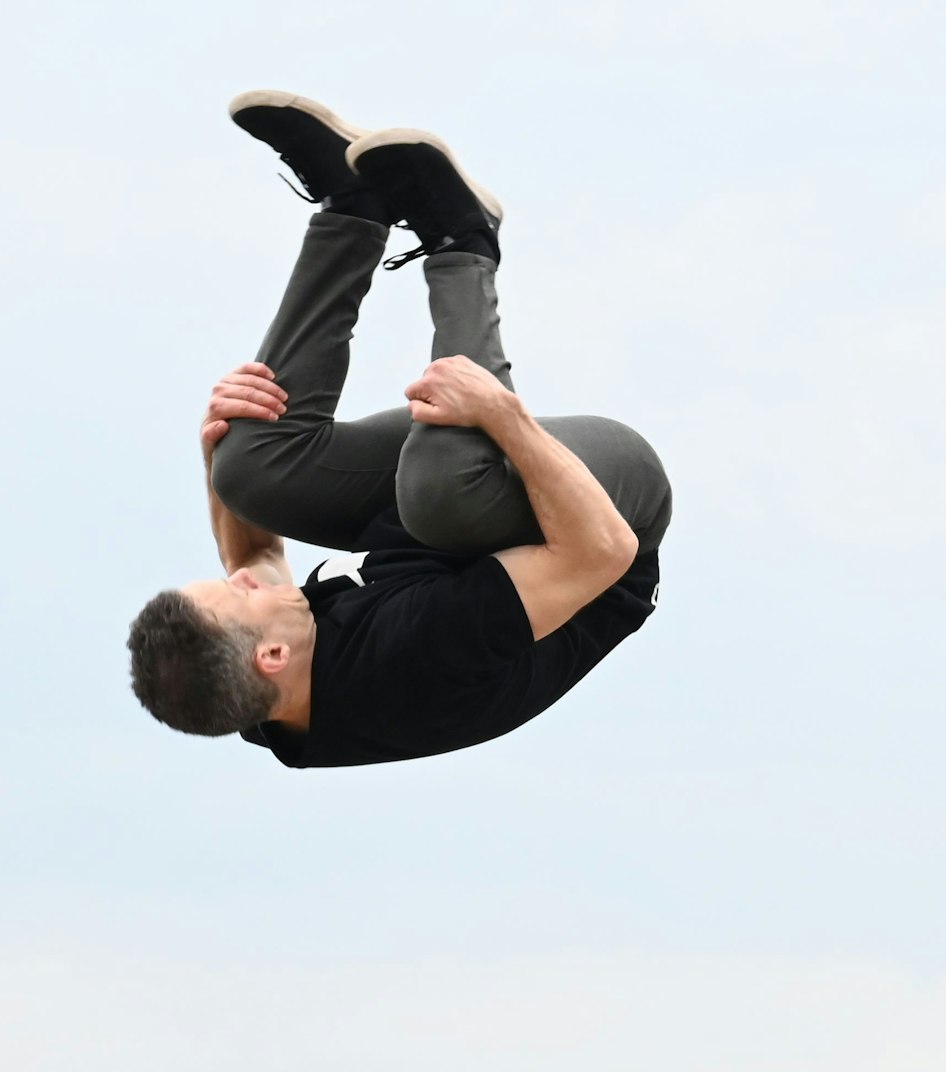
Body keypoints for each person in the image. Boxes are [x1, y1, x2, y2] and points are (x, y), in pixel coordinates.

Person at [127, 91, 672, 768]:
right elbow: (603, 551)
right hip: (605, 518)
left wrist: (217, 448)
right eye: (239, 596)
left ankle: (352, 208)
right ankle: (463, 240)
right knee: (442, 494)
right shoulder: (421, 661)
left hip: (435, 526)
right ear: (272, 656)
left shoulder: (256, 688)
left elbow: (255, 562)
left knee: (249, 469)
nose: (241, 578)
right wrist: (503, 417)